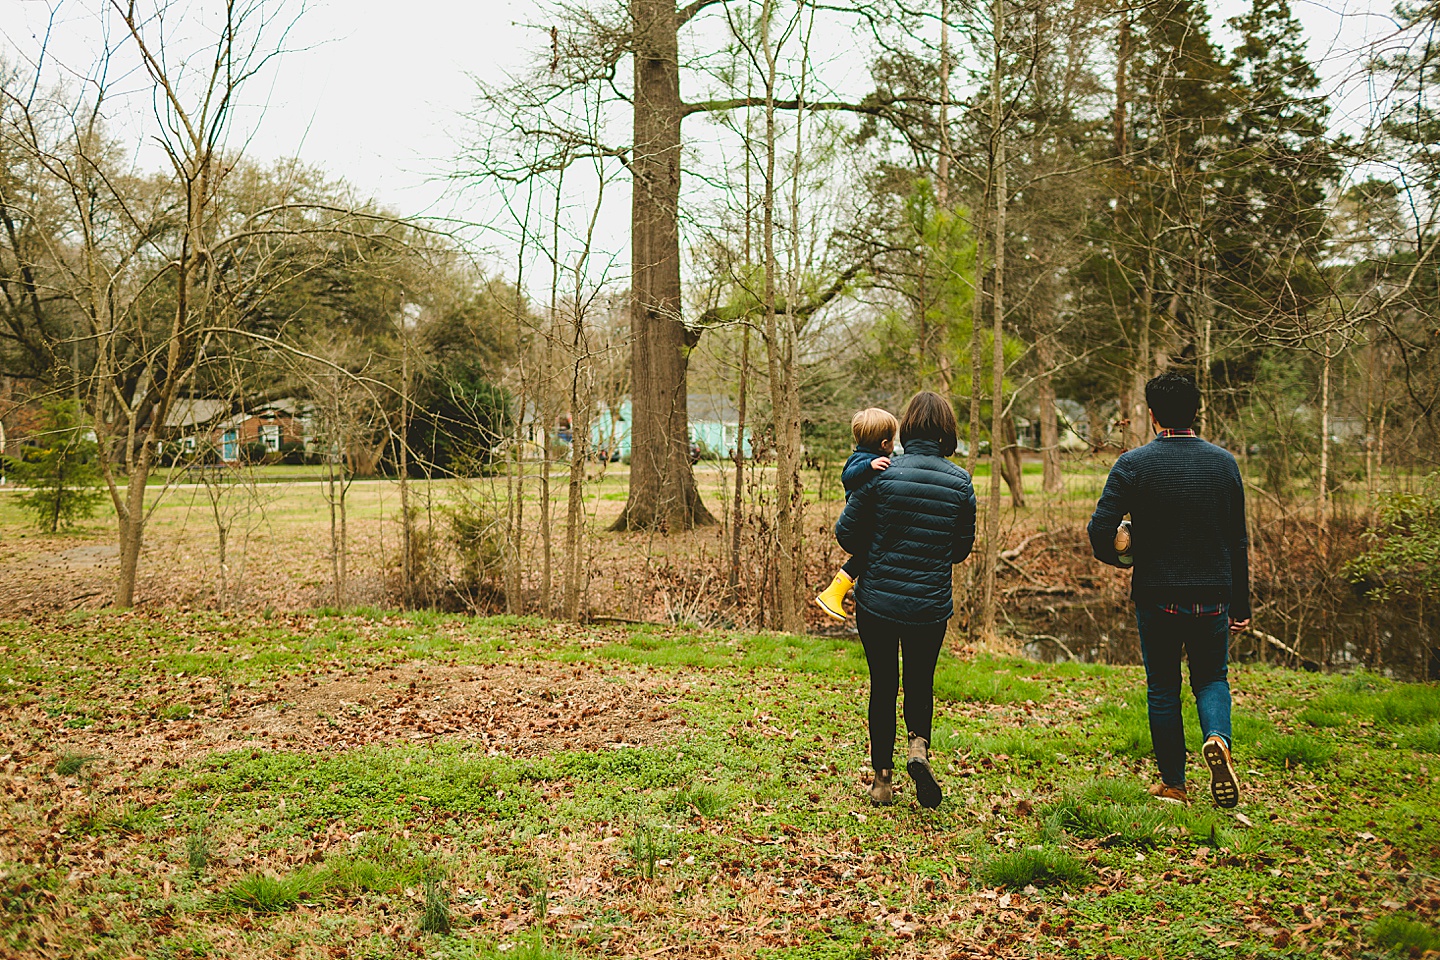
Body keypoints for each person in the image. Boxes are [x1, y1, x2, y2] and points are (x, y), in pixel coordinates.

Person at [1087, 372, 1250, 809]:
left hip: (1157, 595)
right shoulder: (1224, 463)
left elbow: (1100, 528)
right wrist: (1242, 602)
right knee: (1212, 677)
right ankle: (1218, 739)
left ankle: (1174, 786)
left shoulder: (1134, 464)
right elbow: (1238, 539)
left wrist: (1124, 557)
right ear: (1196, 411)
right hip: (1214, 593)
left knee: (1163, 687)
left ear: (1153, 414)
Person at [834, 392, 976, 808]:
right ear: (947, 432)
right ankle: (918, 747)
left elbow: (847, 533)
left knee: (883, 685)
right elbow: (960, 549)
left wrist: (877, 542)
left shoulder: (880, 473)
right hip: (930, 605)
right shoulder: (960, 481)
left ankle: (881, 780)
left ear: (906, 428)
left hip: (878, 601)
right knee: (920, 680)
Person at [814, 407, 899, 620]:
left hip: (866, 520)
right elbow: (847, 477)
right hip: (861, 522)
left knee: (866, 557)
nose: (894, 445)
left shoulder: (873, 456)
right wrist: (869, 466)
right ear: (883, 444)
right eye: (893, 441)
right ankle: (832, 593)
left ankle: (835, 593)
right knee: (866, 555)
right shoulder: (861, 460)